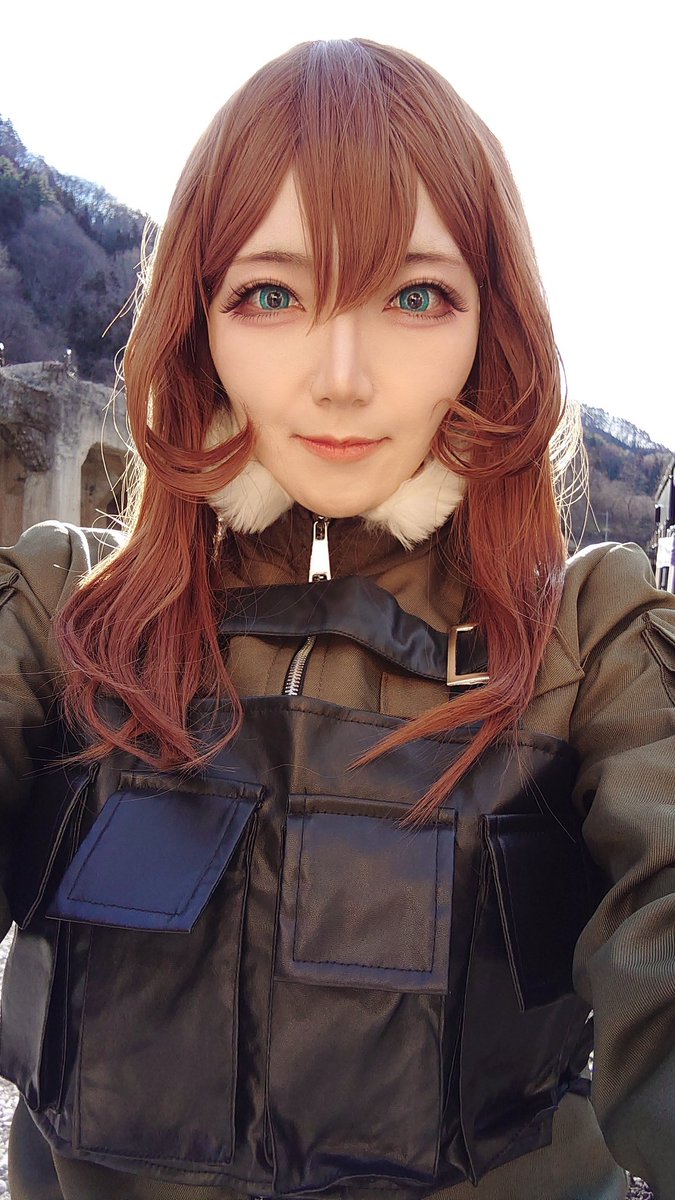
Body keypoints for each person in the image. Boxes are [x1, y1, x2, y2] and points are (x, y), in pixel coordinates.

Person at [0, 37, 673, 1200]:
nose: (344, 376)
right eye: (272, 294)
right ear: (199, 320)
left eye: (416, 296)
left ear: (492, 324)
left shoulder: (590, 640)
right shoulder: (64, 609)